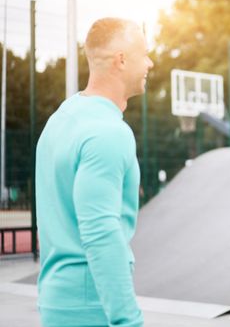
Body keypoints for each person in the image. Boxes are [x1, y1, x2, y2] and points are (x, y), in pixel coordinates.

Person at [35, 17, 153, 327]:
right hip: (92, 308)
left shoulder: (59, 121)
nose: (150, 63)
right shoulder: (108, 132)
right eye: (144, 53)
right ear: (122, 60)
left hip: (56, 303)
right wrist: (128, 320)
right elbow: (101, 233)